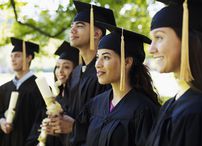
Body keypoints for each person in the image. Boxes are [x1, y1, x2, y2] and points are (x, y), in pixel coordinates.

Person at [43, 1, 117, 146]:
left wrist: (75, 127)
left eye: (79, 26)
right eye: (72, 27)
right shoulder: (76, 72)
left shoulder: (106, 74)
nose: (72, 30)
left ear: (96, 33)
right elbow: (70, 113)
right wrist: (57, 123)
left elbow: (109, 124)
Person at [146, 0, 202, 146]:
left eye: (159, 38)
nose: (151, 49)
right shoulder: (171, 104)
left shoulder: (201, 110)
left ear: (186, 40)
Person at [25, 41, 79, 146]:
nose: (60, 71)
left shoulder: (77, 100)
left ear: (76, 70)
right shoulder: (54, 99)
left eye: (66, 67)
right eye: (58, 67)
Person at [0, 37, 44, 146]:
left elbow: (41, 120)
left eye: (17, 56)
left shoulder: (40, 88)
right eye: (11, 56)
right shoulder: (4, 88)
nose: (13, 59)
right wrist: (2, 122)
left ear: (29, 58)